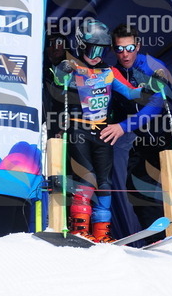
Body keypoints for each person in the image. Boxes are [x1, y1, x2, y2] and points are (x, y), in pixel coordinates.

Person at [54, 18, 146, 243]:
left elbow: (131, 92)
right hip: (78, 130)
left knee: (105, 184)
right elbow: (56, 82)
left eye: (103, 50)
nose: (97, 56)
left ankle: (101, 232)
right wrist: (62, 70)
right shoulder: (73, 67)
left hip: (103, 132)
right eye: (93, 49)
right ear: (81, 45)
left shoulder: (109, 71)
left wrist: (152, 85)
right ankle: (79, 228)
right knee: (86, 179)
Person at [100, 23, 172, 237]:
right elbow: (110, 109)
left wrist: (123, 127)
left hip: (171, 135)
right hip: (144, 141)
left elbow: (155, 105)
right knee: (136, 188)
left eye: (130, 48)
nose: (125, 54)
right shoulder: (113, 73)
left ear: (138, 46)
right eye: (119, 49)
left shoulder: (153, 66)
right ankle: (157, 237)